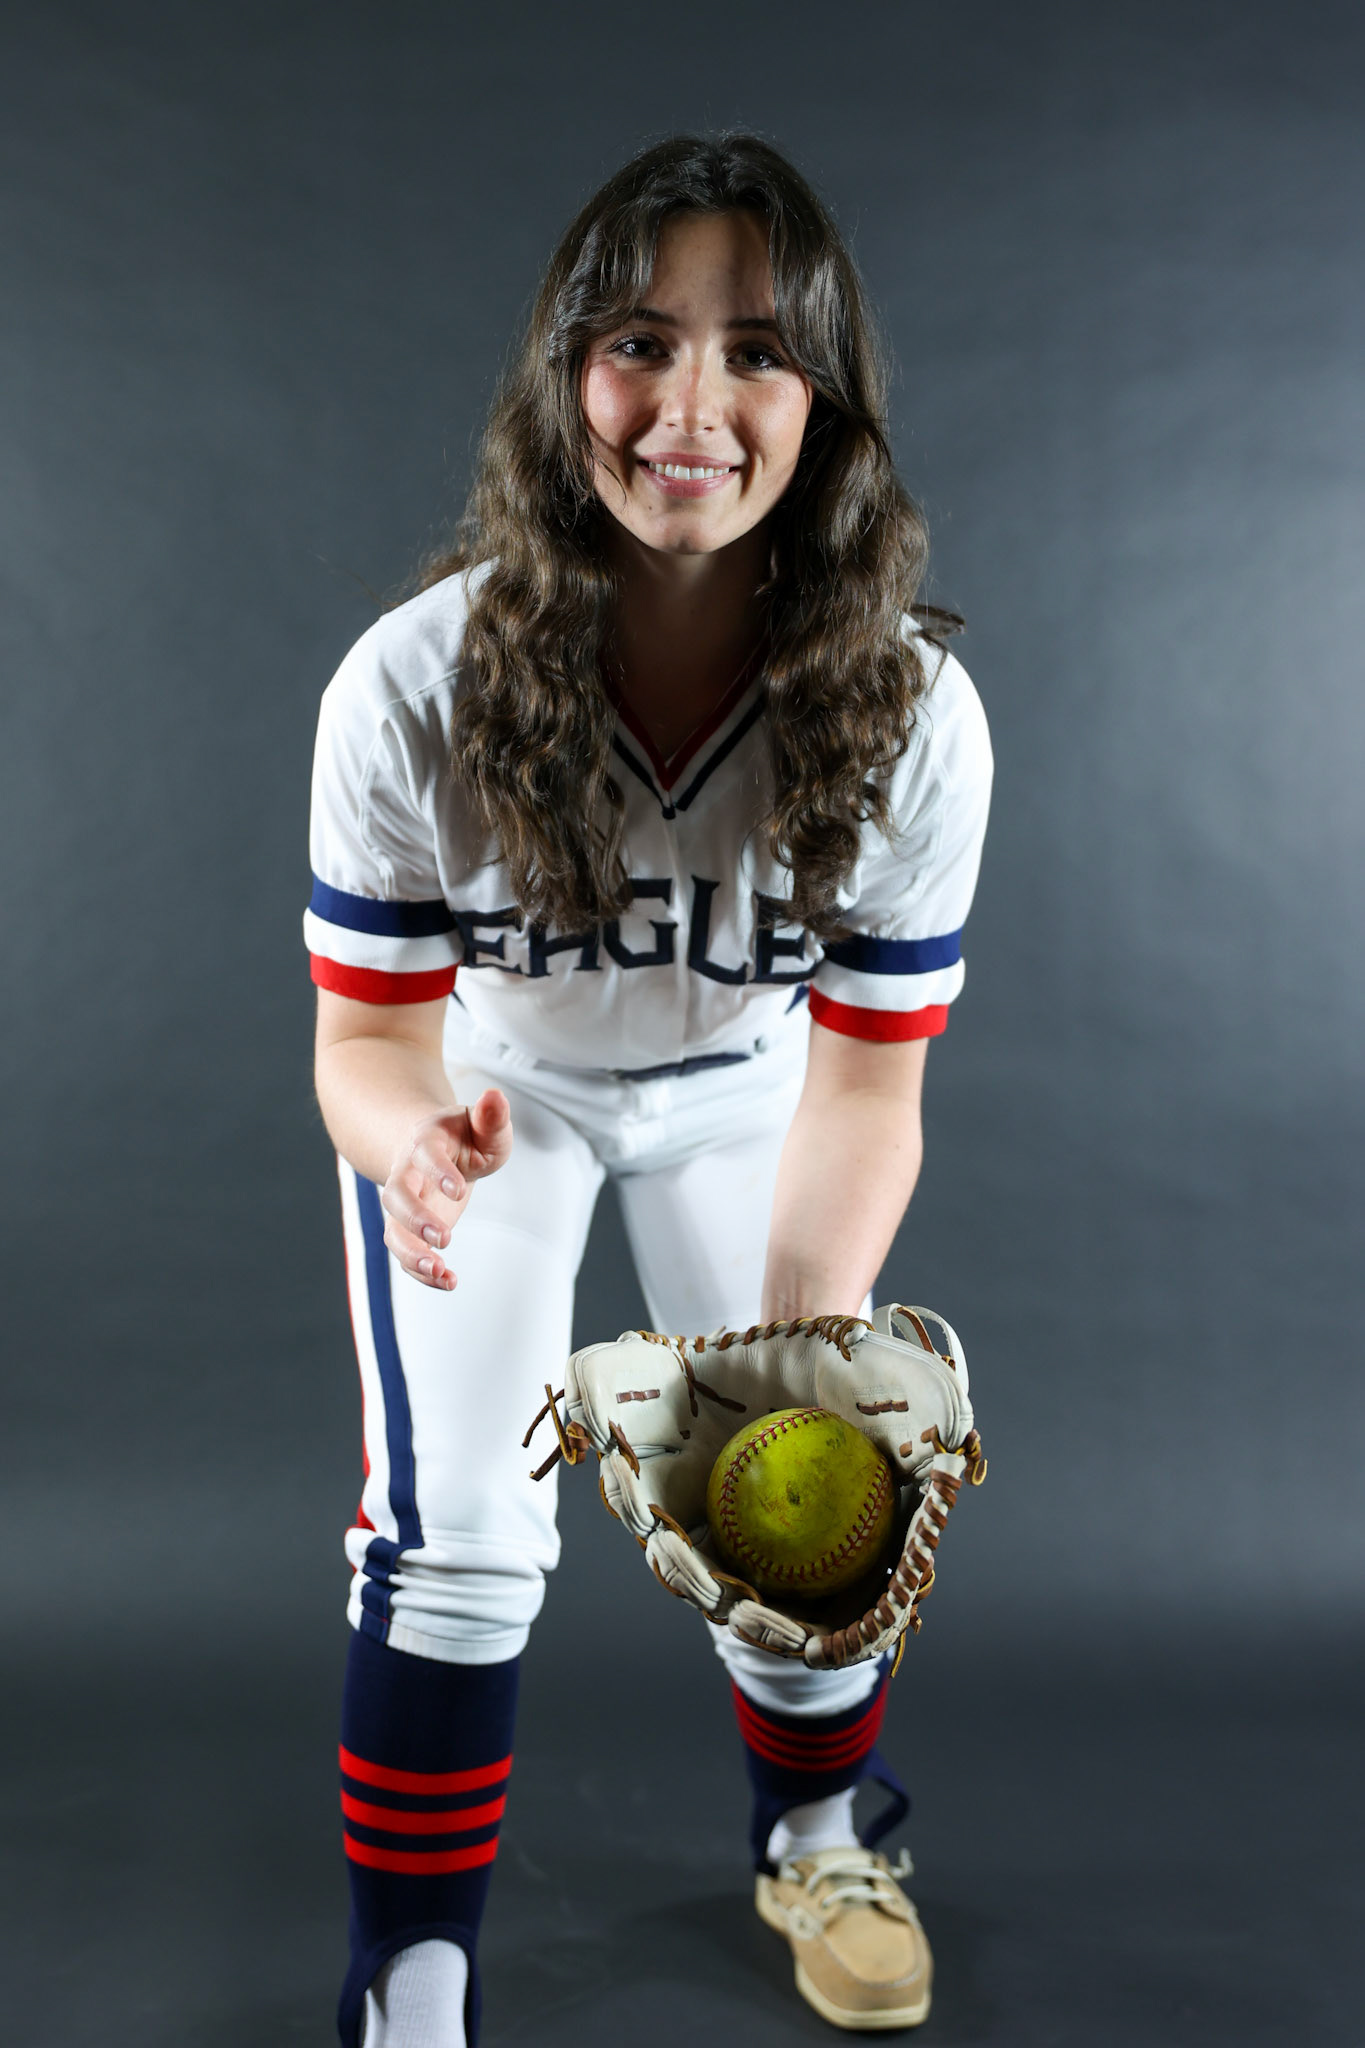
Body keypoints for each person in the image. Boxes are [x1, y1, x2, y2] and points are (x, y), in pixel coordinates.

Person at [305, 133, 991, 2047]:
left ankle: (822, 1832)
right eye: (636, 340)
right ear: (560, 382)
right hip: (491, 1099)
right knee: (451, 1547)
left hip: (746, 1095)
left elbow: (869, 1081)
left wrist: (808, 1343)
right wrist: (405, 1155)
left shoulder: (914, 708)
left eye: (757, 352)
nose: (691, 403)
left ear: (827, 407)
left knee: (805, 1509)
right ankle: (411, 1974)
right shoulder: (413, 680)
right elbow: (362, 1041)